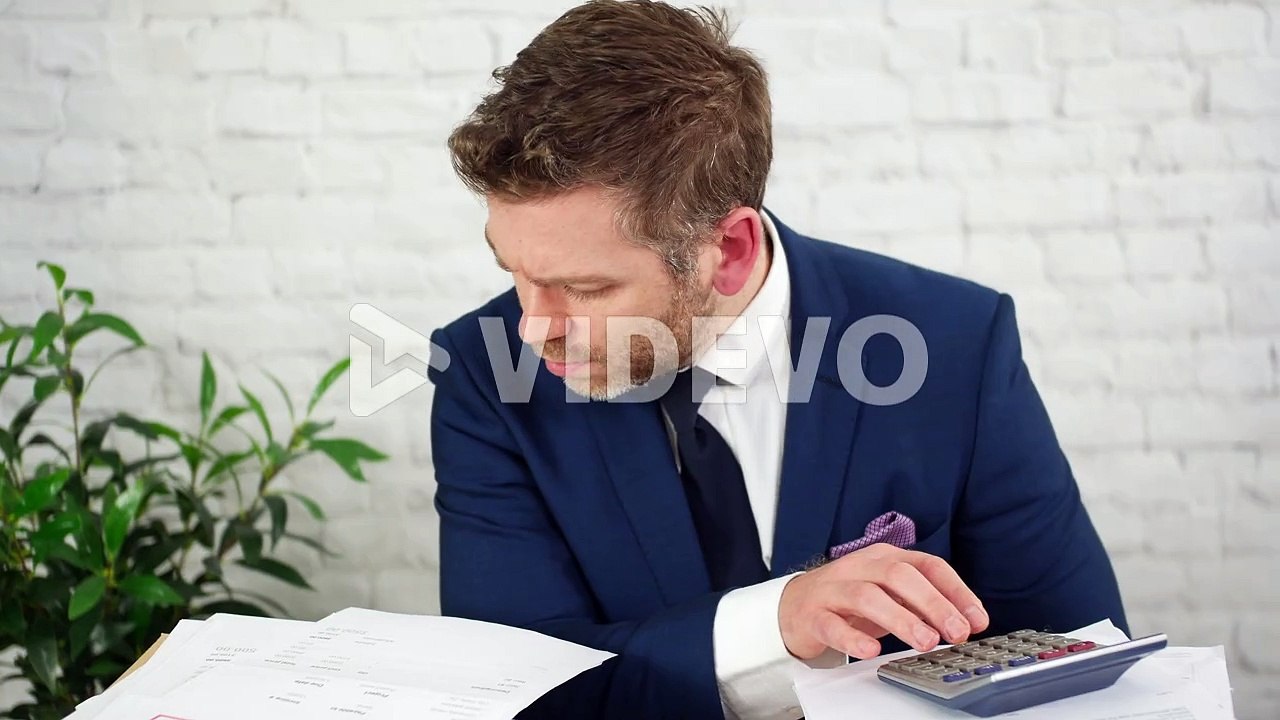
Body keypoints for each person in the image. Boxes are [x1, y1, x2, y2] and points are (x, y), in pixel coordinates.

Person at [427, 2, 1127, 718]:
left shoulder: (955, 342)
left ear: (728, 251)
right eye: (513, 270)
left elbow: (1077, 658)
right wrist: (773, 625)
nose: (531, 327)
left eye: (586, 287)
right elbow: (515, 694)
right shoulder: (479, 375)